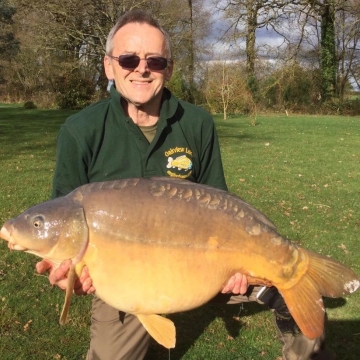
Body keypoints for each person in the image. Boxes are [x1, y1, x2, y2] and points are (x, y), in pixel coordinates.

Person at [36, 9, 333, 360]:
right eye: (128, 58)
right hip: (126, 278)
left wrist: (240, 270)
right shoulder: (80, 131)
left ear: (169, 68)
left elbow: (222, 205)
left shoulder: (197, 123)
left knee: (295, 284)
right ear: (109, 66)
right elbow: (61, 224)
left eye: (155, 60)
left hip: (205, 265)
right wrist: (64, 271)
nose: (142, 68)